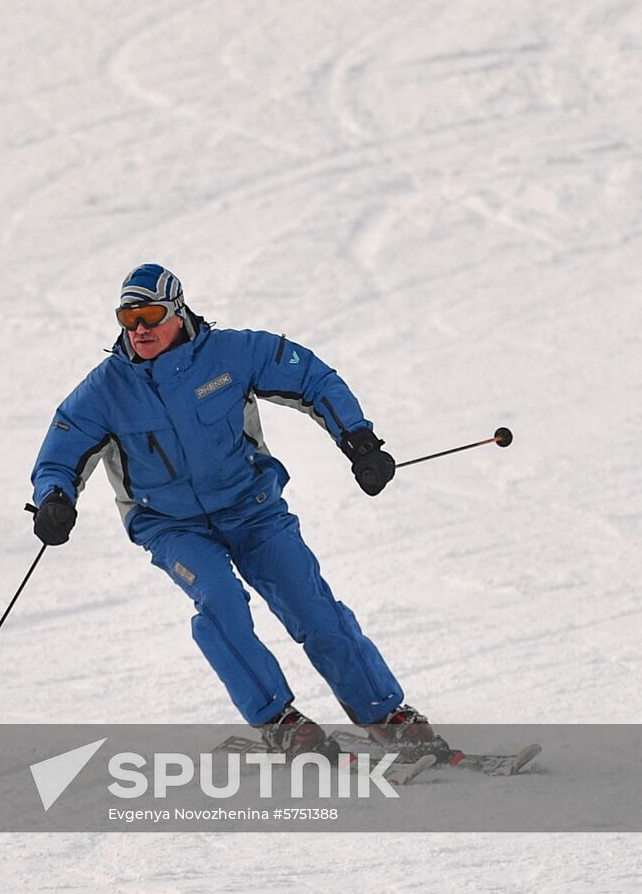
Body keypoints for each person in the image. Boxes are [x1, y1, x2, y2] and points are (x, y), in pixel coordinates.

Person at [29, 263, 445, 760]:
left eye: (150, 315)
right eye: (127, 317)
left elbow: (313, 378)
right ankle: (280, 722)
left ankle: (385, 714)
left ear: (178, 312)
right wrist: (55, 499)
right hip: (172, 527)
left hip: (253, 510)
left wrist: (358, 440)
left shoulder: (233, 354)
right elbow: (59, 454)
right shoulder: (105, 390)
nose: (138, 329)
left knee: (314, 608)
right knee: (220, 603)